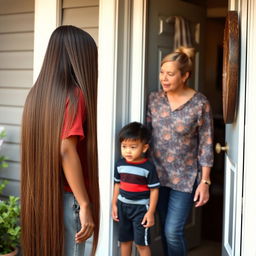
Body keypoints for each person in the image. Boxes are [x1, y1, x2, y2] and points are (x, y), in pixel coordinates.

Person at [21, 25, 100, 256]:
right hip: (70, 199)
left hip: (42, 194)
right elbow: (66, 149)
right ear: (80, 58)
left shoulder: (36, 95)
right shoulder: (76, 96)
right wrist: (85, 204)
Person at [146, 46, 214, 256]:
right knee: (164, 230)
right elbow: (146, 135)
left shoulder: (200, 103)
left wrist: (205, 181)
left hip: (184, 179)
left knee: (173, 231)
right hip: (156, 176)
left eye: (170, 74)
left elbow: (206, 143)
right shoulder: (154, 99)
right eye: (162, 72)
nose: (164, 78)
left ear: (185, 76)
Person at [112, 122, 160, 256]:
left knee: (141, 243)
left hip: (140, 210)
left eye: (133, 147)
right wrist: (114, 204)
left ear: (144, 148)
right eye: (124, 146)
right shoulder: (119, 164)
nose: (127, 151)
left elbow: (154, 190)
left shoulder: (148, 168)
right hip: (123, 207)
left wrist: (150, 212)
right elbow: (117, 184)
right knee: (125, 240)